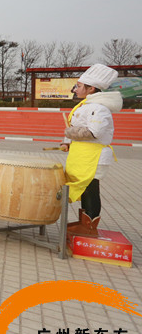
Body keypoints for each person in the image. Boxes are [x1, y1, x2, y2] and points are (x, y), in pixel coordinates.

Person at [60, 64, 122, 237]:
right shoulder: (86, 105)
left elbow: (94, 132)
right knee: (84, 190)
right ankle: (84, 223)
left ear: (91, 88)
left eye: (79, 86)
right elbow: (76, 127)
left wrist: (69, 133)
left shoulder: (99, 108)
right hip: (82, 156)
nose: (75, 89)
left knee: (91, 190)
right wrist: (68, 141)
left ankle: (90, 227)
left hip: (93, 157)